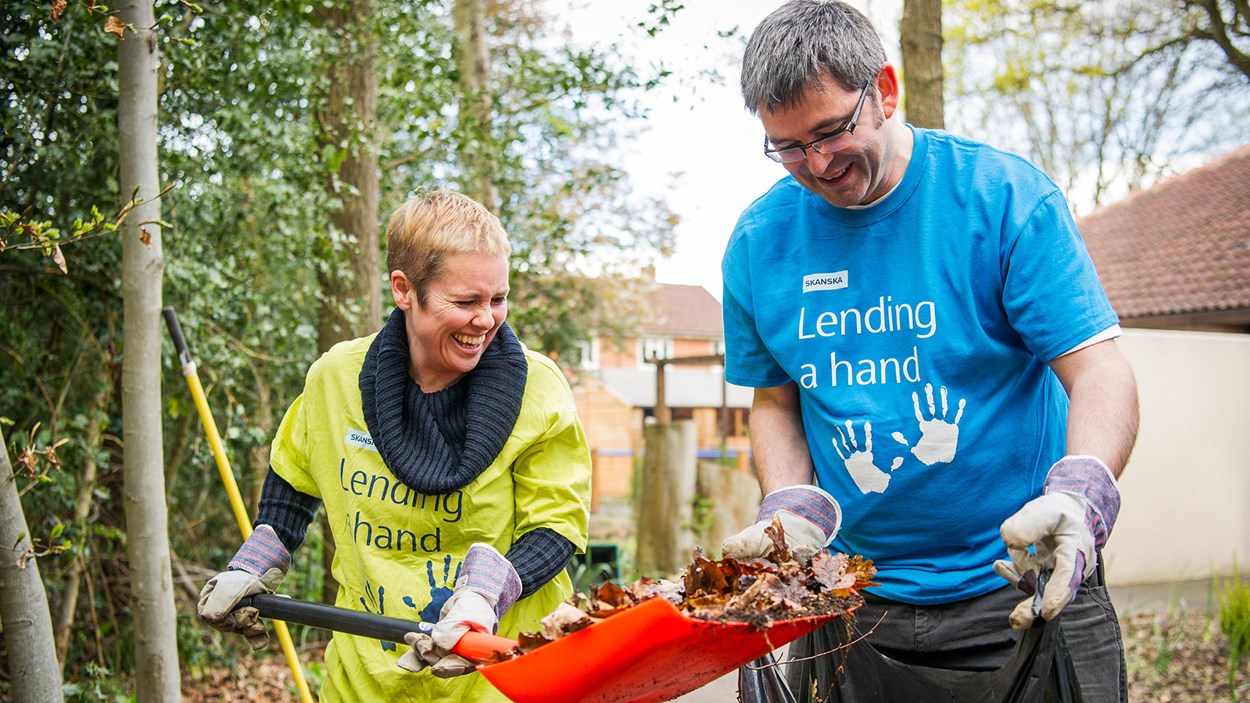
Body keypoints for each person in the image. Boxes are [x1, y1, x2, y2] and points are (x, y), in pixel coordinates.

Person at [718, 2, 1139, 701]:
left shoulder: (1002, 199)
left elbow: (1098, 367)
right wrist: (789, 501)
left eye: (831, 130)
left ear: (884, 89)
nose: (817, 164)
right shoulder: (760, 243)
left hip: (1018, 584)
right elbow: (776, 401)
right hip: (848, 602)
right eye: (788, 146)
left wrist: (1083, 492)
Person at [197, 189, 592, 702]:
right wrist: (255, 562)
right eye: (466, 301)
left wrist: (484, 595)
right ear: (404, 290)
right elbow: (294, 481)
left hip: (498, 679)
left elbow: (557, 525)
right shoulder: (335, 378)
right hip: (364, 684)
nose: (487, 320)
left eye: (498, 298)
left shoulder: (538, 389)